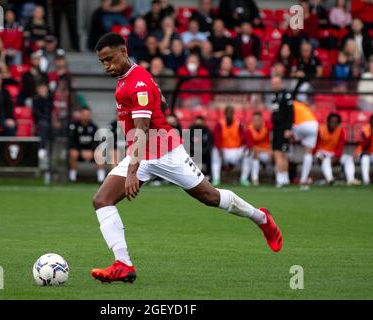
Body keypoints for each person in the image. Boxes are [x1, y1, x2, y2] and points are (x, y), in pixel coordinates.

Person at [90, 33, 283, 283]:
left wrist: (131, 172)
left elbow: (142, 128)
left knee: (210, 197)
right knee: (102, 200)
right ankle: (123, 264)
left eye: (110, 59)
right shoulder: (130, 77)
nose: (107, 66)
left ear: (123, 51)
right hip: (141, 154)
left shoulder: (136, 83)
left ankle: (262, 218)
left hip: (165, 152)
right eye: (103, 62)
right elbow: (161, 107)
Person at [315, 113, 361, 186]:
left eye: (335, 122)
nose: (333, 124)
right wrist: (317, 155)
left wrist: (336, 156)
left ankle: (351, 179)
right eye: (331, 122)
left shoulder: (341, 131)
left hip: (334, 154)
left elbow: (340, 146)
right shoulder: (321, 130)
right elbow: (316, 145)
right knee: (326, 160)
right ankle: (330, 179)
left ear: (338, 123)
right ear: (328, 122)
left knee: (348, 158)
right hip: (322, 153)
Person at [68, 107, 105, 183]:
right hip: (79, 152)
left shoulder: (94, 127)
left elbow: (96, 142)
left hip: (91, 152)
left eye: (88, 115)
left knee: (100, 154)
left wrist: (91, 151)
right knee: (73, 153)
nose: (86, 116)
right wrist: (81, 151)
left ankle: (101, 178)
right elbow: (72, 142)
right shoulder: (74, 126)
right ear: (81, 115)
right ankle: (72, 177)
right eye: (84, 114)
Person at [211, 106, 246, 186]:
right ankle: (216, 179)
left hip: (236, 151)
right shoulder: (219, 124)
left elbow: (245, 138)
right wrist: (219, 150)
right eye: (228, 113)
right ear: (225, 114)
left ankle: (244, 179)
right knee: (215, 151)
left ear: (233, 114)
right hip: (224, 151)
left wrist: (245, 148)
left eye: (231, 113)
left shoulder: (238, 124)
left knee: (248, 152)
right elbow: (216, 139)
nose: (229, 115)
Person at [270, 76, 294, 188]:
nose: (274, 86)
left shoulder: (286, 95)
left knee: (279, 153)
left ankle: (281, 178)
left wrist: (288, 128)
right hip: (276, 129)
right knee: (280, 153)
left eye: (276, 83)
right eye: (272, 83)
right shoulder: (275, 97)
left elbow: (291, 113)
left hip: (283, 129)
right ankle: (285, 179)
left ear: (281, 83)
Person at [292, 100, 319, 188]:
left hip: (302, 125)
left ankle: (289, 153)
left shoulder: (292, 104)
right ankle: (303, 179)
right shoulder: (303, 106)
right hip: (314, 125)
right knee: (308, 152)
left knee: (287, 133)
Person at [245, 112, 272, 186]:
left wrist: (271, 149)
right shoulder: (249, 130)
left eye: (258, 120)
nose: (256, 122)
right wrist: (265, 150)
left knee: (277, 153)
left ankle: (281, 179)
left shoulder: (267, 126)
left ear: (261, 120)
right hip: (260, 152)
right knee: (253, 154)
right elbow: (251, 146)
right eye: (254, 120)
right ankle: (255, 179)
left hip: (267, 152)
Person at [189, 115, 213, 181]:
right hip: (193, 153)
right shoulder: (190, 131)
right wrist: (196, 151)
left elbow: (209, 144)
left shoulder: (208, 132)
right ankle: (190, 176)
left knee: (209, 156)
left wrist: (202, 152)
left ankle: (208, 176)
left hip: (204, 153)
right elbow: (188, 144)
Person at [32, 82, 53, 155]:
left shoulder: (51, 98)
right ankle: (42, 147)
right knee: (44, 125)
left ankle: (53, 150)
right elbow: (36, 113)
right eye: (41, 89)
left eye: (44, 88)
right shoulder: (36, 99)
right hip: (40, 120)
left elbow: (53, 110)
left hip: (51, 119)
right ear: (37, 90)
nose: (42, 90)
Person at [356, 115, 373, 185]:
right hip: (363, 152)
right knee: (365, 159)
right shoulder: (364, 129)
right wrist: (371, 135)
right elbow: (363, 145)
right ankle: (366, 181)